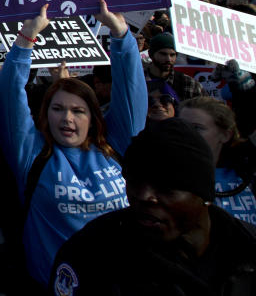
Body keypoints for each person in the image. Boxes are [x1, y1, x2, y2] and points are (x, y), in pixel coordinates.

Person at [0, 0, 146, 288]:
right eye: (57, 109)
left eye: (78, 111)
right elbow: (9, 97)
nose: (67, 118)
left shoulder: (115, 146)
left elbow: (131, 92)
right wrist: (27, 37)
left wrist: (120, 33)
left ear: (94, 116)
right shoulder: (32, 154)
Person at [50, 118, 256, 294]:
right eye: (134, 181)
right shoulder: (90, 255)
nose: (144, 196)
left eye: (165, 187)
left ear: (203, 194)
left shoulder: (246, 249)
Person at [179, 96, 256, 225]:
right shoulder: (167, 176)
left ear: (226, 135)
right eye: (182, 126)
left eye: (197, 128)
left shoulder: (246, 174)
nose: (187, 133)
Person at [143, 32, 203, 100]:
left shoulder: (189, 83)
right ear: (151, 54)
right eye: (163, 54)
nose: (168, 59)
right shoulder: (138, 79)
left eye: (172, 55)